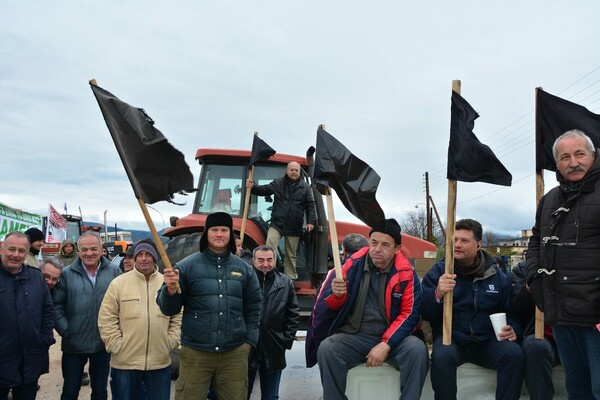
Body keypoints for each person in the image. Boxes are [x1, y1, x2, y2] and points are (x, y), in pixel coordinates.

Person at [306, 218, 429, 400]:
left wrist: (386, 344)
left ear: (397, 249)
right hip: (356, 336)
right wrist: (336, 295)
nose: (377, 249)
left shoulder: (406, 273)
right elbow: (328, 305)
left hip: (394, 340)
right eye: (374, 242)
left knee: (417, 350)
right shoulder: (350, 265)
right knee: (327, 349)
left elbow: (410, 314)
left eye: (385, 244)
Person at [525, 129, 600, 399]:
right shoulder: (550, 199)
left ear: (592, 155)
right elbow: (536, 241)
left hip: (596, 317)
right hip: (561, 314)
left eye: (579, 154)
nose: (573, 162)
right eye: (565, 157)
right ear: (556, 164)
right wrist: (535, 280)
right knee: (577, 389)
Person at [157, 212, 262, 400]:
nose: (219, 234)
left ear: (231, 234)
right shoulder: (186, 266)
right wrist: (170, 291)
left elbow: (254, 307)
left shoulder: (244, 268)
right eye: (214, 230)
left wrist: (249, 342)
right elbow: (168, 309)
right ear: (206, 233)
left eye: (224, 230)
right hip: (196, 353)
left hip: (234, 353)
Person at [421, 218, 524, 400]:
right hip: (452, 339)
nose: (457, 245)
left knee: (513, 354)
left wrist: (513, 329)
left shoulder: (497, 274)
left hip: (487, 340)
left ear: (478, 245)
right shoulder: (440, 271)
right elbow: (425, 312)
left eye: (464, 241)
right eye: (455, 240)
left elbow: (512, 311)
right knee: (441, 356)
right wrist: (437, 293)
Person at [99, 239, 182, 400]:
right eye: (140, 254)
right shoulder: (118, 284)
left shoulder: (167, 284)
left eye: (148, 254)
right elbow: (106, 318)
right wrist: (116, 345)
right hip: (125, 364)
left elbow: (178, 315)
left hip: (159, 363)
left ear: (155, 257)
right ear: (134, 258)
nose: (144, 258)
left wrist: (169, 341)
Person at [52, 231, 122, 400]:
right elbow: (56, 306)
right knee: (70, 391)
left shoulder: (114, 272)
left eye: (93, 249)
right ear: (78, 250)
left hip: (102, 344)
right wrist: (66, 330)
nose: (89, 253)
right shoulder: (67, 274)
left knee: (100, 392)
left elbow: (123, 304)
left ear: (100, 249)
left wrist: (115, 333)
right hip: (74, 345)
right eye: (84, 249)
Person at [0, 232, 55, 400]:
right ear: (2, 248)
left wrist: (45, 338)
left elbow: (48, 309)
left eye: (21, 251)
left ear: (26, 253)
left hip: (30, 359)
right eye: (11, 249)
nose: (16, 255)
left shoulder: (36, 277)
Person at [246, 161, 317, 279]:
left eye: (296, 170)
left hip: (294, 225)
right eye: (292, 170)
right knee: (270, 247)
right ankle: (270, 274)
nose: (294, 172)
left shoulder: (305, 187)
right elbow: (265, 190)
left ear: (299, 172)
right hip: (277, 223)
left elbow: (310, 205)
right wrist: (252, 187)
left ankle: (290, 278)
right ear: (287, 171)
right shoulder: (278, 183)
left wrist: (311, 222)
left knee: (291, 254)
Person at [248, 245, 300, 400]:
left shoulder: (285, 283)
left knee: (271, 396)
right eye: (261, 260)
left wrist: (285, 340)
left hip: (274, 347)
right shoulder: (245, 280)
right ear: (253, 260)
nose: (265, 264)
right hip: (247, 347)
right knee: (240, 394)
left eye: (269, 260)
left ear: (275, 260)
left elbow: (293, 315)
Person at [509, 251, 560, 400]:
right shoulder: (523, 270)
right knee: (535, 346)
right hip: (545, 336)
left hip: (578, 332)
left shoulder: (583, 264)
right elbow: (516, 310)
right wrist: (529, 290)